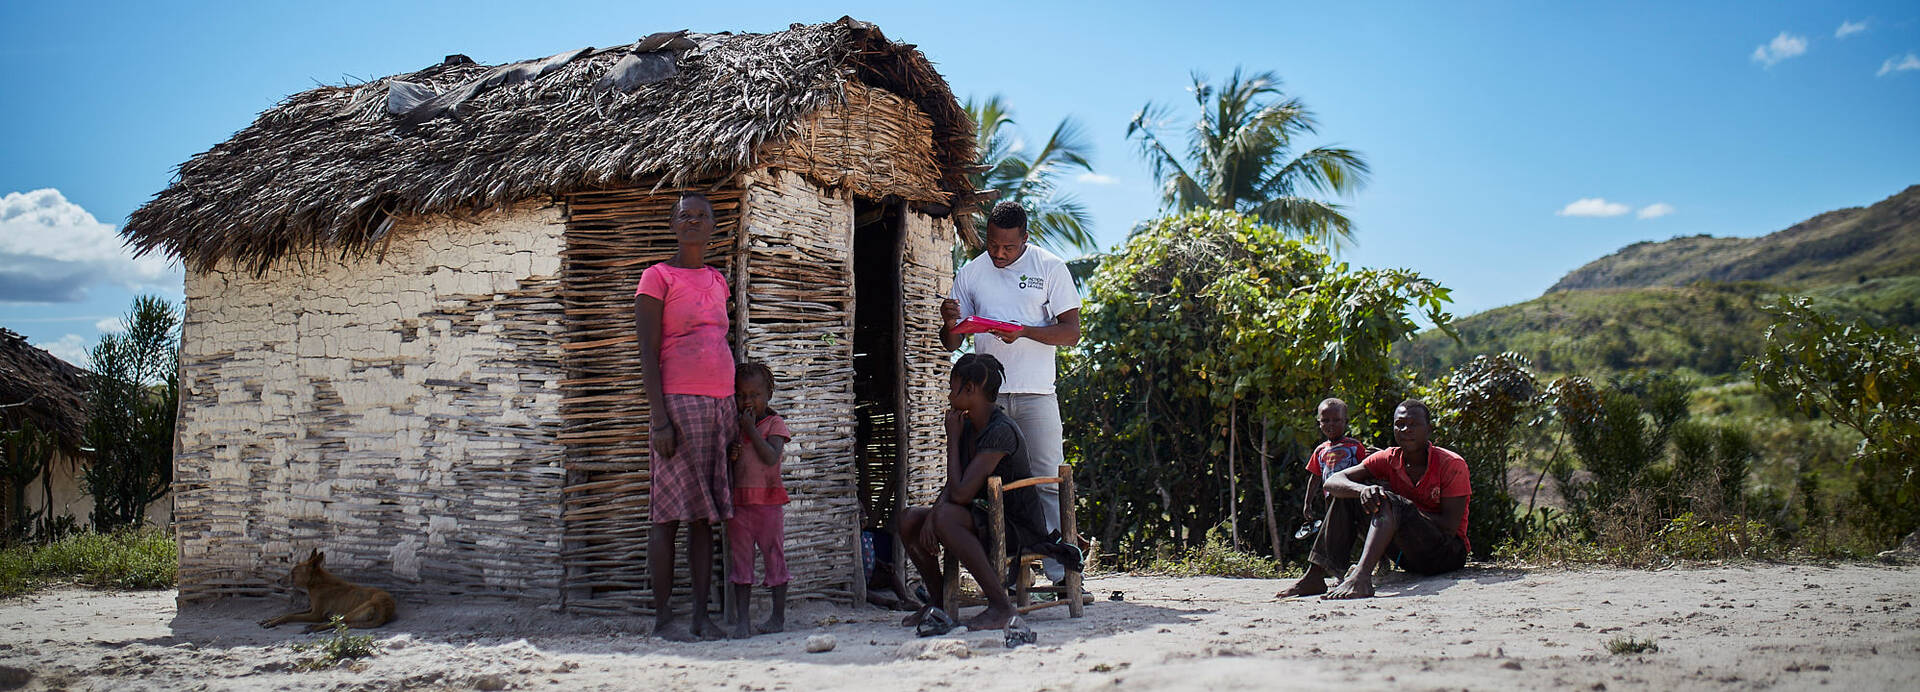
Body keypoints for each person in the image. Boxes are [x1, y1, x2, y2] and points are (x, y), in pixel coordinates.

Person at [939, 202, 1081, 577]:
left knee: (1049, 481)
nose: (999, 254)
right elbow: (952, 344)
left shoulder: (1050, 267)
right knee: (994, 486)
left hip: (1037, 394)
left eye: (1009, 248)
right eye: (993, 245)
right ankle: (1012, 570)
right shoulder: (971, 272)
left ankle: (1062, 573)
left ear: (1026, 239)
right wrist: (949, 321)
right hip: (989, 400)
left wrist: (1025, 331)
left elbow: (1071, 333)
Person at [897, 354, 1077, 631]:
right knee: (910, 518)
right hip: (985, 516)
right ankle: (939, 602)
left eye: (952, 387)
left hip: (1016, 527)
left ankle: (1001, 606)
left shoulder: (1000, 431)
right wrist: (931, 515)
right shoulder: (970, 426)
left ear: (970, 389)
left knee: (945, 517)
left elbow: (960, 495)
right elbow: (955, 486)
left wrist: (952, 441)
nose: (948, 395)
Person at [635, 192, 737, 640]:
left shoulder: (718, 281)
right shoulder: (657, 278)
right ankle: (663, 620)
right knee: (667, 516)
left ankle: (700, 616)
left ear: (713, 225)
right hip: (678, 405)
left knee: (703, 517)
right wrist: (659, 419)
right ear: (673, 225)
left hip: (721, 406)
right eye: (684, 215)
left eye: (701, 216)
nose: (692, 221)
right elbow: (647, 351)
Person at [1282, 399, 1471, 600]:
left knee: (1389, 501)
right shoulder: (1388, 458)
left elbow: (1450, 527)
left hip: (1446, 554)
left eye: (1414, 424)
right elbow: (1333, 481)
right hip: (1407, 556)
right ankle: (1315, 576)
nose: (1406, 429)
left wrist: (1401, 509)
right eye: (1400, 424)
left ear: (1429, 429)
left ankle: (1362, 577)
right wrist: (1363, 490)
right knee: (1351, 494)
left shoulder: (1451, 464)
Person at [726, 361, 792, 639]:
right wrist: (732, 452)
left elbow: (770, 456)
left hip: (768, 504)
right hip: (740, 504)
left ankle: (777, 617)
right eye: (741, 395)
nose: (748, 401)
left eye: (755, 395)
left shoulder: (774, 424)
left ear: (768, 396)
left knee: (774, 556)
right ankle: (743, 621)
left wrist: (751, 431)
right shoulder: (735, 426)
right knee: (741, 562)